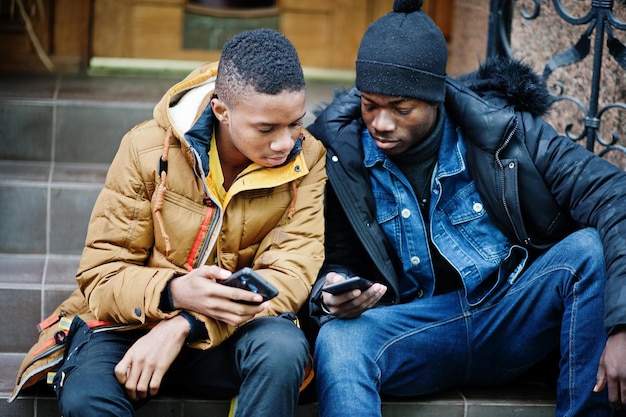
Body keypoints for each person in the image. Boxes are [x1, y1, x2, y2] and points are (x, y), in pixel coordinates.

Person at [306, 1, 626, 416]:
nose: (381, 123)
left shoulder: (506, 133)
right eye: (370, 104)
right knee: (338, 340)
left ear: (435, 99)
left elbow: (614, 194)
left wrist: (621, 324)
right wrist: (334, 293)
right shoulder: (341, 154)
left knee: (586, 250)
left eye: (401, 109)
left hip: (512, 315)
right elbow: (332, 258)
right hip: (418, 328)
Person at [10, 28, 326, 417]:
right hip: (129, 327)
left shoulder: (307, 158)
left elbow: (289, 274)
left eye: (295, 122)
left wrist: (185, 324)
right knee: (86, 398)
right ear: (221, 111)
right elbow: (102, 275)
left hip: (227, 332)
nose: (285, 142)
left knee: (282, 349)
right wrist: (174, 293)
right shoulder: (145, 149)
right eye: (266, 128)